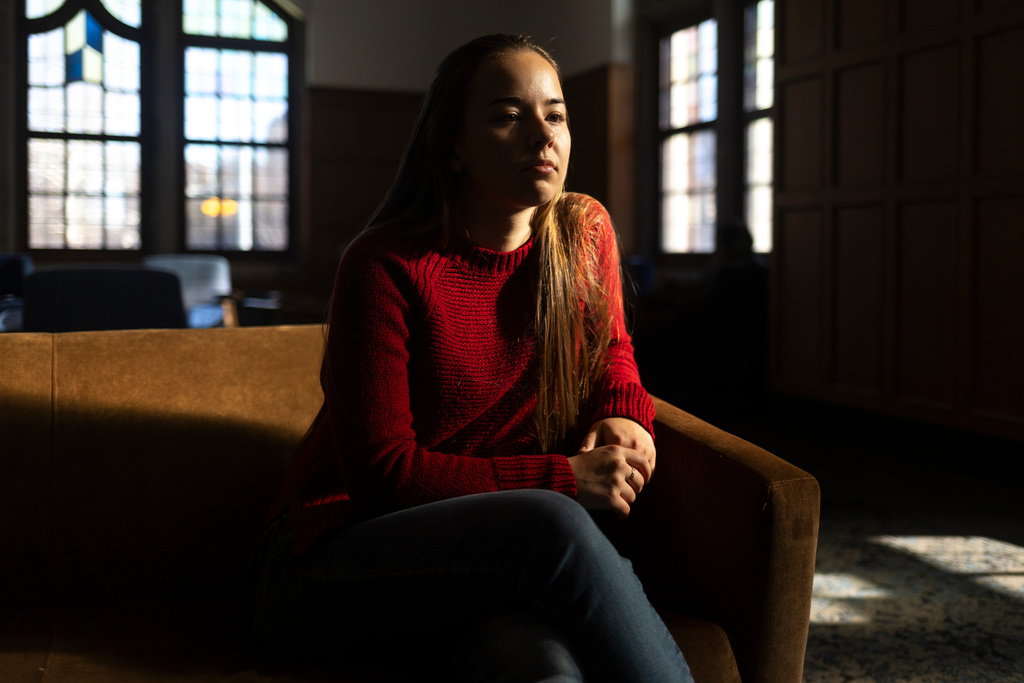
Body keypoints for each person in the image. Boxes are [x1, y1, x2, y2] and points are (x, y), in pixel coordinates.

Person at [251, 33, 693, 682]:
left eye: (556, 114)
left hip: (479, 561)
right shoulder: (385, 266)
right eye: (508, 116)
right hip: (329, 561)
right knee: (551, 525)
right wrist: (566, 479)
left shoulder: (583, 231)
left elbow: (611, 353)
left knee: (542, 666)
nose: (544, 136)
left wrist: (626, 415)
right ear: (452, 146)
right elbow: (383, 474)